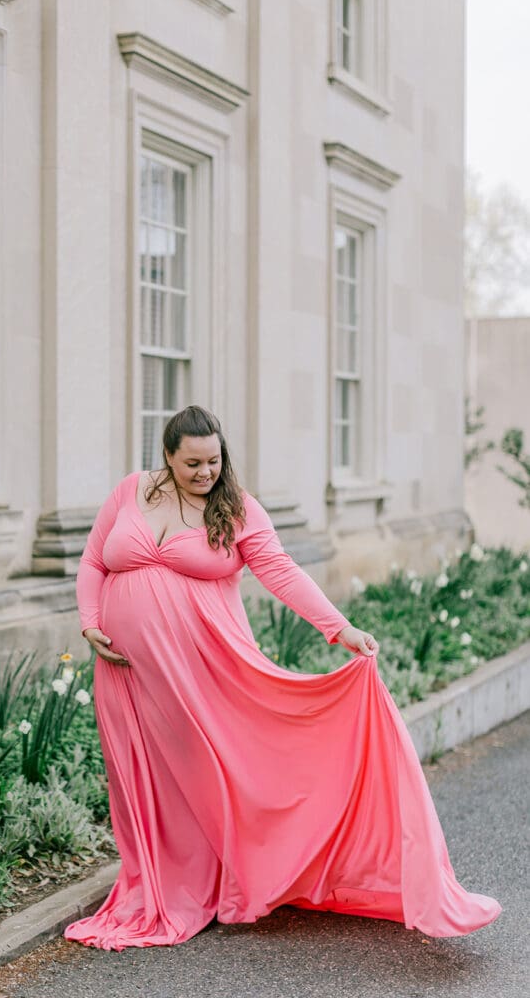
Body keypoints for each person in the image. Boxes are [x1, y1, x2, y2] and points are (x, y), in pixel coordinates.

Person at [64, 405, 501, 950]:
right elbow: (92, 562)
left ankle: (228, 875)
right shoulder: (131, 491)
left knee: (211, 766)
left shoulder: (237, 508)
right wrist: (90, 622)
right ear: (168, 457)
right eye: (193, 463)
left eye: (214, 461)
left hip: (206, 669)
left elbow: (280, 572)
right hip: (126, 672)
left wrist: (340, 629)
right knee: (142, 775)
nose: (206, 473)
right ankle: (156, 881)